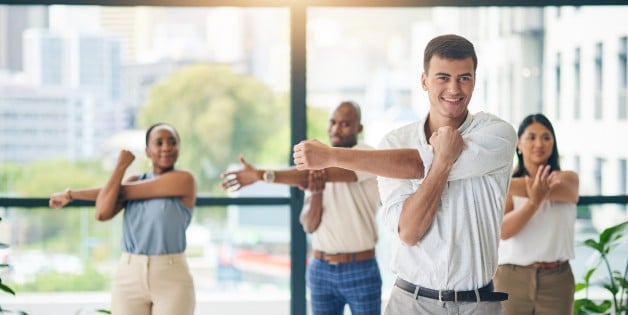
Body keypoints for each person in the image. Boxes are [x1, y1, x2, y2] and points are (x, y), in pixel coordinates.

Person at [293, 34, 516, 315]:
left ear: (474, 80)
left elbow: (416, 164)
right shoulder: (394, 144)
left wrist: (332, 155)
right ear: (424, 81)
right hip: (410, 303)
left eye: (464, 78)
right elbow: (409, 232)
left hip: (479, 304)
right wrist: (444, 160)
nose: (454, 88)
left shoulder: (497, 134)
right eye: (443, 77)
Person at [221, 101, 382, 315]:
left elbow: (323, 173)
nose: (336, 129)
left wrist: (261, 175)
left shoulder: (365, 155)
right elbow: (309, 224)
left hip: (360, 267)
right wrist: (316, 192)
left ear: (358, 128)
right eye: (332, 122)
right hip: (320, 267)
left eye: (345, 124)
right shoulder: (317, 167)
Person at [49, 123, 196, 315]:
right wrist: (120, 167)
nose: (166, 147)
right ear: (147, 151)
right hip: (129, 273)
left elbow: (125, 192)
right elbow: (102, 212)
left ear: (179, 147)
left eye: (172, 142)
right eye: (159, 143)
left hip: (170, 274)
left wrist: (72, 194)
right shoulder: (134, 179)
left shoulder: (184, 179)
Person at [493, 113, 579, 315]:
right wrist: (534, 201)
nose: (539, 143)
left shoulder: (567, 179)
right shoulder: (509, 185)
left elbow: (567, 191)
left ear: (553, 144)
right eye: (531, 137)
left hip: (557, 280)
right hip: (512, 277)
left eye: (546, 137)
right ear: (519, 145)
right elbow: (503, 231)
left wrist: (520, 189)